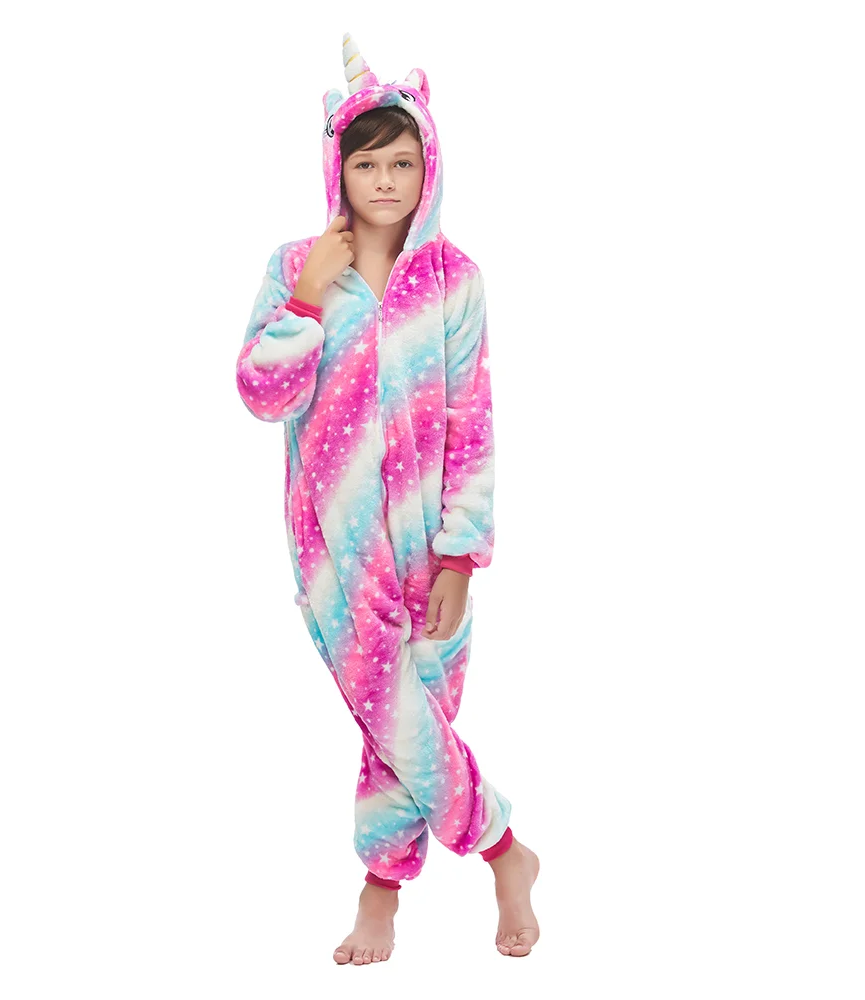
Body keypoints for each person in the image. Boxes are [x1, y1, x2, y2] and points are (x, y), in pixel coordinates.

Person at [236, 32, 540, 963]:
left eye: (402, 162)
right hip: (333, 546)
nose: (385, 179)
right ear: (339, 167)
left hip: (429, 544)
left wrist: (460, 555)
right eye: (367, 162)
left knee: (407, 721)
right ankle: (503, 849)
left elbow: (472, 420)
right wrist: (307, 301)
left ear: (428, 167)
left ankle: (382, 892)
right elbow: (262, 395)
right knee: (393, 709)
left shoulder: (456, 281)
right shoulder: (295, 266)